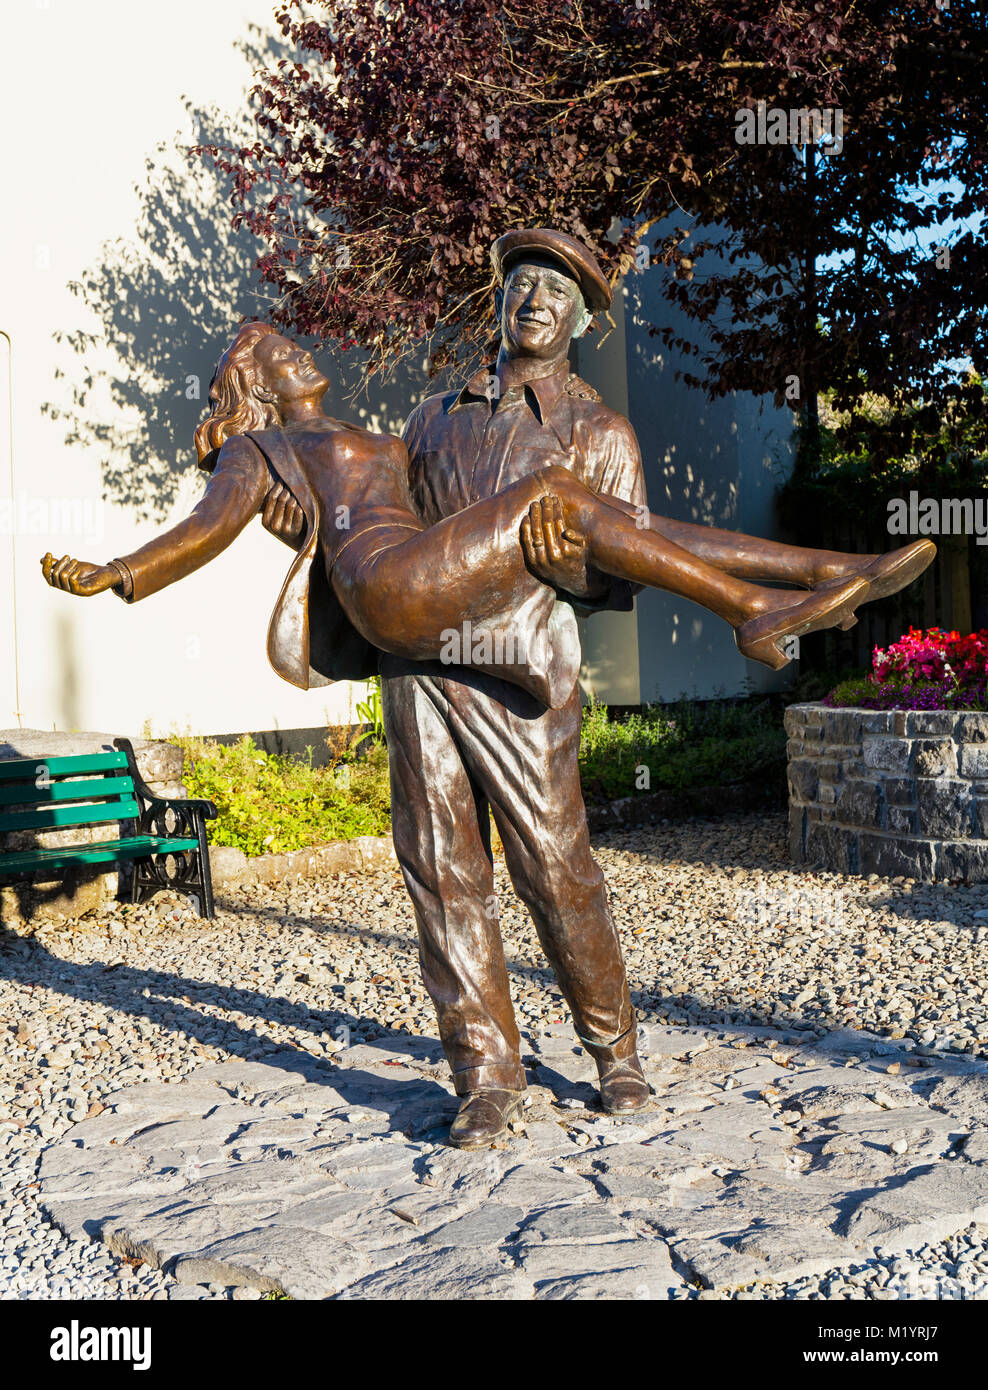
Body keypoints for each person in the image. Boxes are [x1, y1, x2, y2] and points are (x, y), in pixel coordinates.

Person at [41, 234, 934, 1147]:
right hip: (421, 667)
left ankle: (613, 1049)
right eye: (521, 281)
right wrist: (282, 524)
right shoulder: (428, 420)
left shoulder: (599, 432)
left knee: (557, 864)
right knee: (440, 867)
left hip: (520, 667)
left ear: (584, 320)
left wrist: (570, 573)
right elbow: (385, 539)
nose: (536, 297)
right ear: (499, 301)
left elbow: (619, 576)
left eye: (558, 288)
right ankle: (484, 1074)